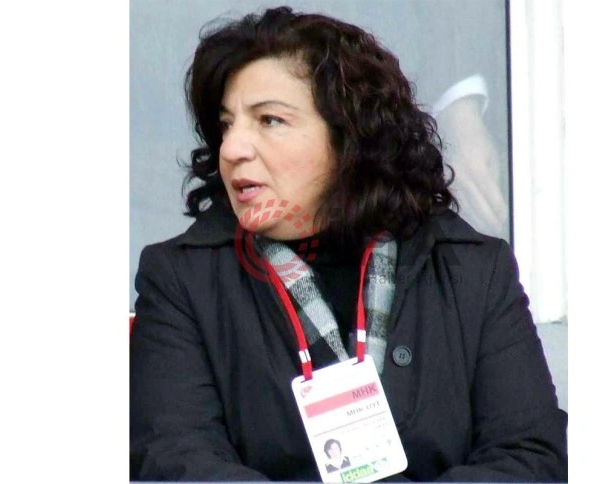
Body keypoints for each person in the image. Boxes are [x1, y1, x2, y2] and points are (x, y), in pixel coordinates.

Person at [130, 6, 568, 482]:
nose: (233, 149)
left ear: (349, 139)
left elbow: (531, 457)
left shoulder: (474, 269)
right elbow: (176, 460)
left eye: (269, 120)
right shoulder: (181, 279)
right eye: (227, 125)